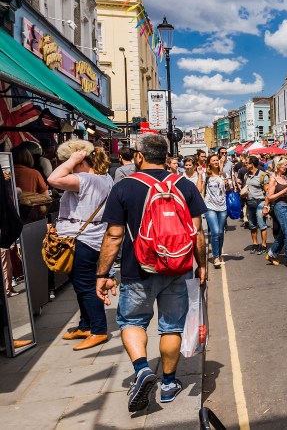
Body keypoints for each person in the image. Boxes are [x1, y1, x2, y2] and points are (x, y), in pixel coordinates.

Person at [95, 134, 207, 411]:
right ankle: (168, 384)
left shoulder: (124, 188)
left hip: (137, 270)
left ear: (139, 156)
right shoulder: (184, 185)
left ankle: (143, 369)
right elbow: (197, 232)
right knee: (172, 327)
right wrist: (201, 264)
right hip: (178, 268)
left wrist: (102, 274)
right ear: (166, 156)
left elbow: (113, 235)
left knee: (132, 322)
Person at [48, 141, 112, 351]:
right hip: (88, 239)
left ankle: (98, 330)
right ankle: (85, 325)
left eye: (71, 162)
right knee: (80, 284)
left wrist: (73, 159)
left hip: (82, 240)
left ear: (81, 161)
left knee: (85, 286)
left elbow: (53, 178)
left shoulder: (85, 179)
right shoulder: (104, 178)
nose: (68, 166)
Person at [203, 154, 229, 269]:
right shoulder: (206, 176)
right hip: (210, 207)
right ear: (209, 163)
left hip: (222, 207)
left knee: (220, 232)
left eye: (217, 160)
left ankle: (219, 254)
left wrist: (228, 185)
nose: (216, 162)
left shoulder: (224, 174)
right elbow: (200, 189)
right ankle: (215, 257)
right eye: (213, 160)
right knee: (215, 231)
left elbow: (228, 190)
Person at [241, 156, 270, 253]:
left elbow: (267, 191)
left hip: (260, 202)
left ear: (252, 164)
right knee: (252, 225)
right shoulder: (246, 175)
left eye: (247, 163)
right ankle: (255, 244)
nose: (245, 165)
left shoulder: (263, 176)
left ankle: (264, 245)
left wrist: (266, 205)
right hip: (250, 202)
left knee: (262, 224)